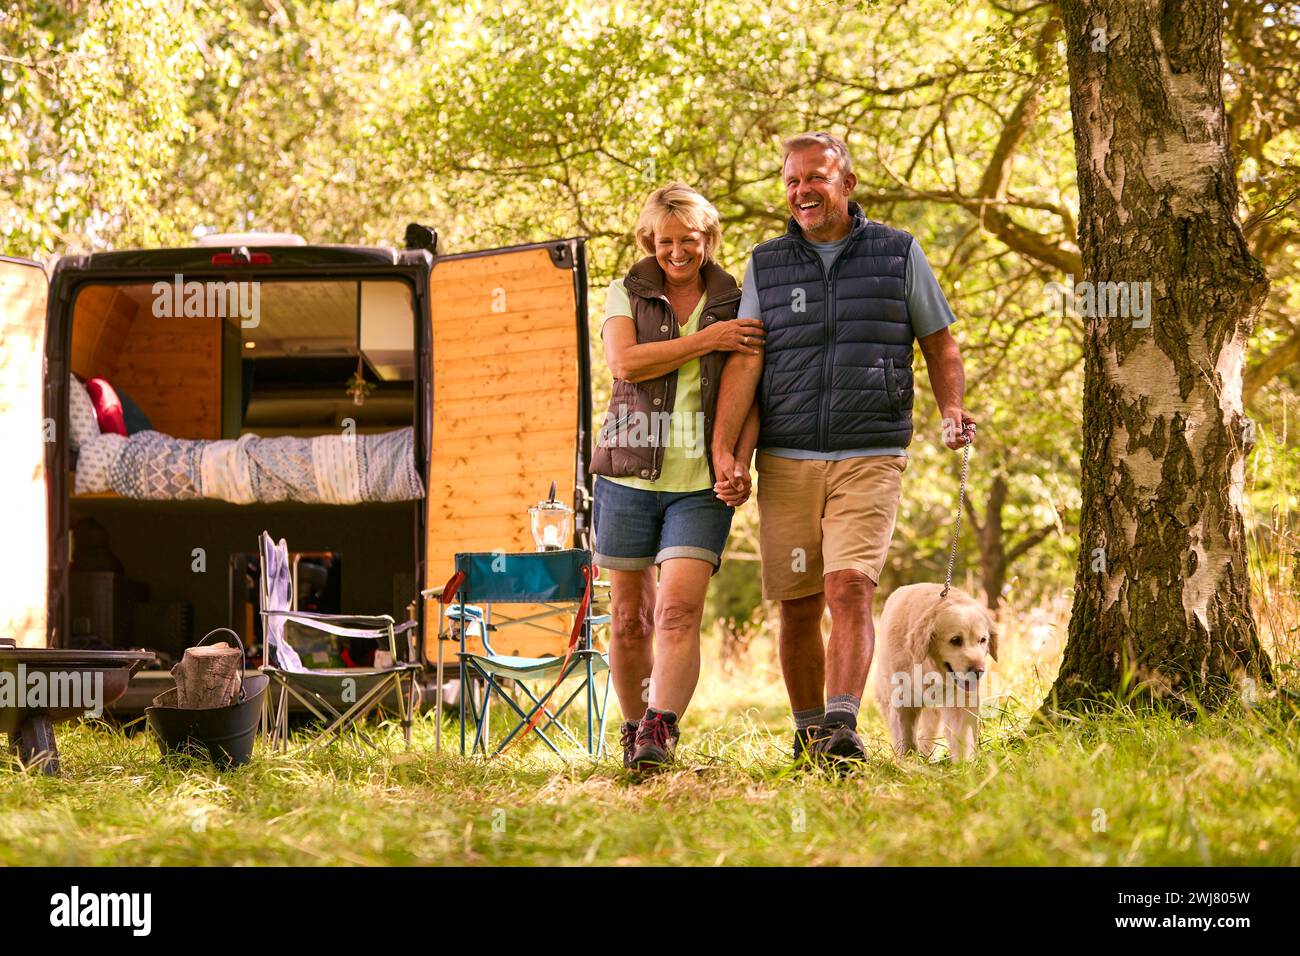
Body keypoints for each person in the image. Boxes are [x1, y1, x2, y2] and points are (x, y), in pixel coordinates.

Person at [710, 132, 976, 767]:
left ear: (847, 184)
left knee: (850, 587)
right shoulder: (765, 265)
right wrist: (727, 451)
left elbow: (939, 344)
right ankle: (808, 735)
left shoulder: (898, 253)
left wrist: (952, 411)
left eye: (816, 178)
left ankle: (841, 725)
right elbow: (746, 362)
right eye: (792, 181)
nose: (803, 191)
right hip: (787, 452)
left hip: (871, 448)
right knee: (798, 604)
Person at [591, 182, 763, 772]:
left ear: (708, 239)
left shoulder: (740, 299)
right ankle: (633, 727)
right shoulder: (624, 293)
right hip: (627, 474)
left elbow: (752, 391)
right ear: (650, 241)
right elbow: (626, 363)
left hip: (699, 485)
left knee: (678, 612)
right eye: (665, 242)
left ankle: (661, 732)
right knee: (629, 618)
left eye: (688, 240)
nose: (676, 252)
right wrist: (707, 339)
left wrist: (740, 459)